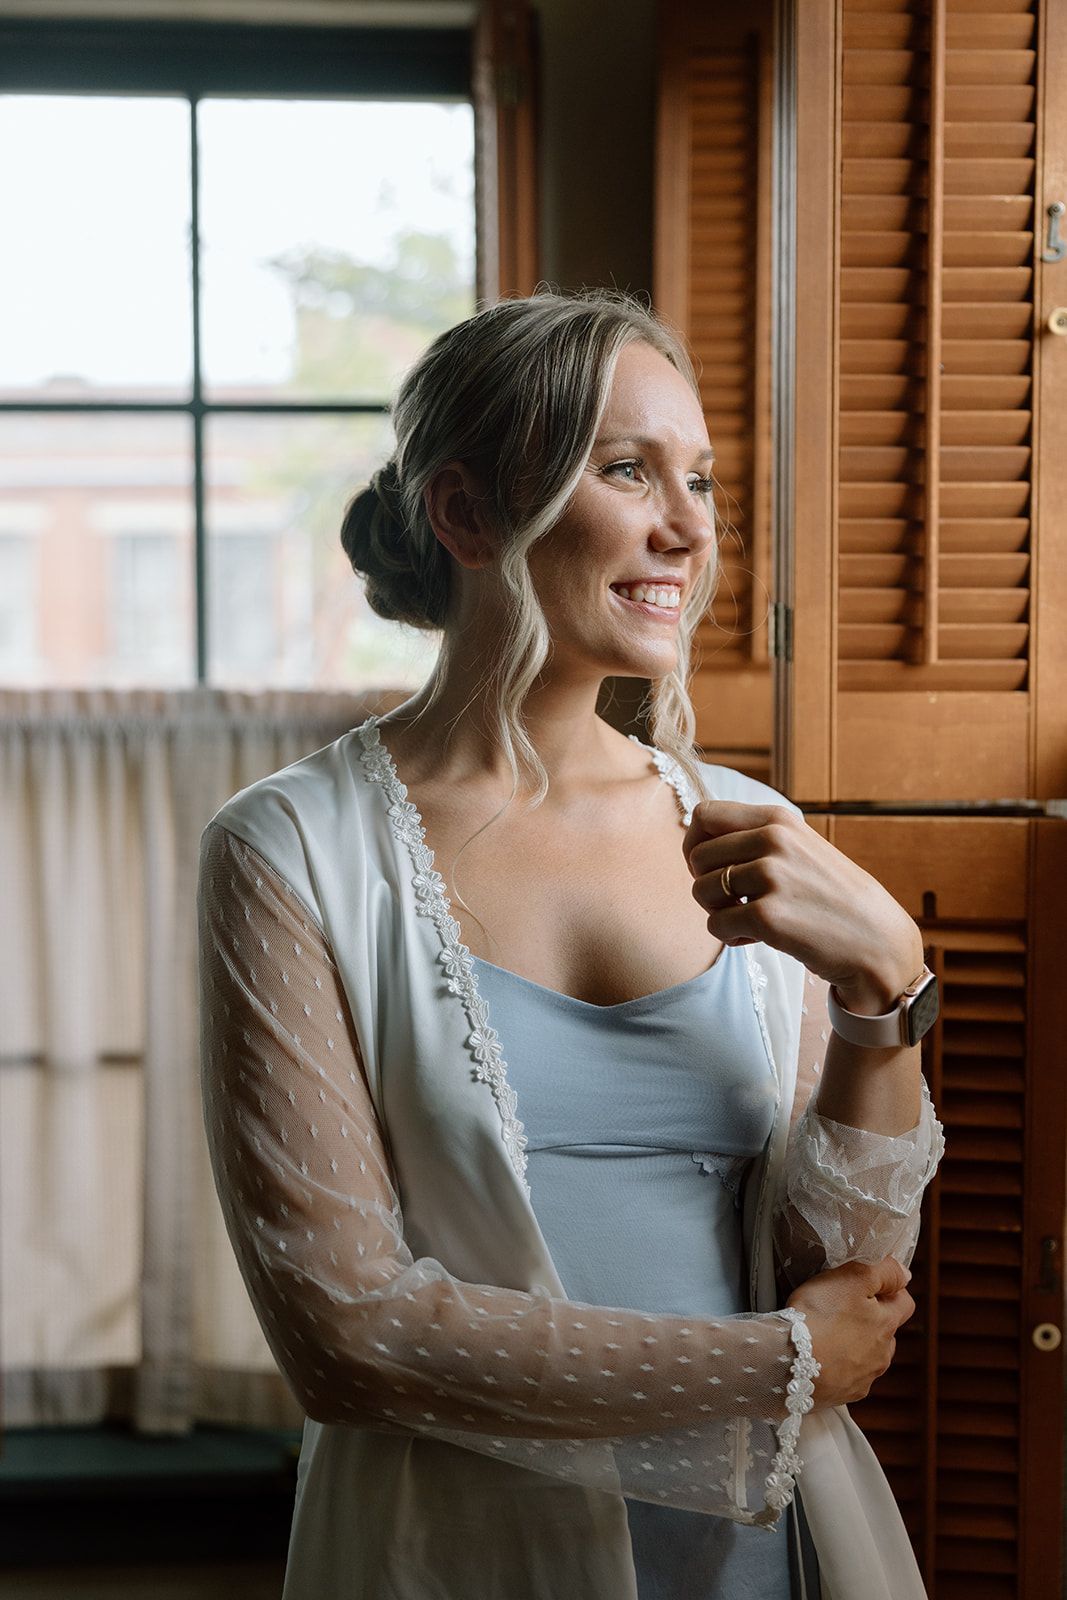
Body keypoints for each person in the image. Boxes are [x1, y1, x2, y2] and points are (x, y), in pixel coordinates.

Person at [197, 290, 944, 1600]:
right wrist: (771, 1367)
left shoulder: (755, 829)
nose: (690, 526)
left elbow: (845, 1277)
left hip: (768, 1545)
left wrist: (888, 990)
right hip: (463, 1554)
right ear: (466, 513)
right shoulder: (288, 852)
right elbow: (347, 1336)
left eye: (700, 479)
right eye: (627, 469)